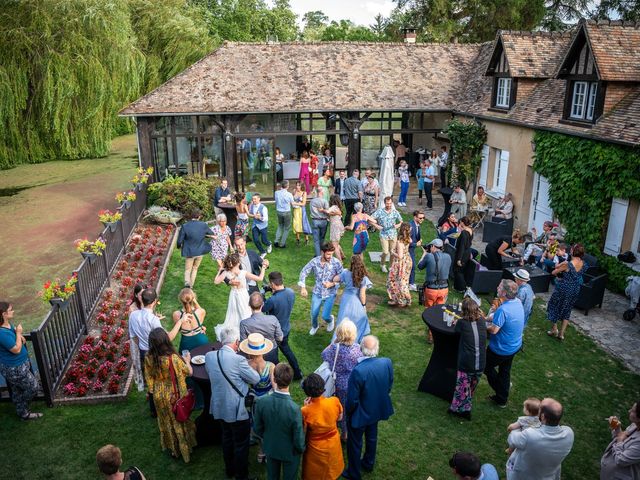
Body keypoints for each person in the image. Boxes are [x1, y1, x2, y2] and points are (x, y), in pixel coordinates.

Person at [205, 327, 260, 480]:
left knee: (227, 437)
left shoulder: (209, 356)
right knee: (241, 444)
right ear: (236, 342)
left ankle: (230, 470)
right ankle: (241, 476)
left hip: (219, 406)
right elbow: (255, 379)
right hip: (237, 409)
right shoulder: (239, 360)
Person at [343, 335, 394, 480]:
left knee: (354, 444)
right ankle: (368, 463)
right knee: (372, 437)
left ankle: (354, 473)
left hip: (359, 414)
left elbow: (352, 399)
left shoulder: (358, 371)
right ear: (377, 349)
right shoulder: (386, 363)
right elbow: (389, 384)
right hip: (377, 410)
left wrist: (349, 414)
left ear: (361, 349)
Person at [144, 328, 196, 462]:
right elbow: (188, 372)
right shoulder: (173, 358)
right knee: (179, 420)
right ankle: (185, 448)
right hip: (174, 395)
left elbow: (149, 378)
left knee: (166, 422)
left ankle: (173, 449)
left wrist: (152, 390)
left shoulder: (149, 357)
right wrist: (187, 361)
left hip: (158, 396)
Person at [253, 363, 305, 480]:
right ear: (290, 380)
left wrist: (267, 437)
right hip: (290, 452)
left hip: (270, 447)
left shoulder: (261, 402)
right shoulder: (294, 409)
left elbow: (257, 428)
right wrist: (301, 449)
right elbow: (298, 437)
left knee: (272, 476)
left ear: (274, 379)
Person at [506, 398, 574, 480]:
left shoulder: (530, 435)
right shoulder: (569, 433)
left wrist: (519, 428)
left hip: (523, 475)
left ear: (543, 416)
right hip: (548, 476)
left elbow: (512, 439)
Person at [485, 280, 524, 407]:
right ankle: (502, 398)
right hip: (514, 346)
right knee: (505, 371)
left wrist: (482, 325)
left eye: (500, 287)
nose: (497, 287)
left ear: (504, 293)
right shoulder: (517, 302)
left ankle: (502, 392)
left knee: (485, 366)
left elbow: (494, 330)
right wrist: (486, 318)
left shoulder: (503, 309)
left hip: (501, 349)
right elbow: (497, 316)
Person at [322, 319, 364, 440]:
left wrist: (334, 342)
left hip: (338, 384)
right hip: (353, 384)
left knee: (338, 408)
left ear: (339, 333)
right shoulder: (358, 348)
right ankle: (346, 433)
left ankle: (337, 429)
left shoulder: (334, 348)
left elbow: (323, 354)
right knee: (349, 409)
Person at [0, 301, 41, 420]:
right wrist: (18, 333)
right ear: (3, 314)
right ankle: (23, 408)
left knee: (17, 390)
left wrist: (18, 335)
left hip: (20, 365)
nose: (13, 311)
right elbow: (16, 349)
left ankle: (22, 412)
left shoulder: (8, 324)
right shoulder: (1, 333)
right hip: (14, 368)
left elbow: (15, 338)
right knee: (33, 387)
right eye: (10, 310)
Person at [448, 298, 487, 420]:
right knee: (471, 385)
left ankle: (461, 410)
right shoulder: (482, 321)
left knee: (462, 387)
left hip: (467, 363)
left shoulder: (462, 323)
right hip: (481, 362)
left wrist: (456, 322)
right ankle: (465, 405)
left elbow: (456, 332)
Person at [300, 373, 345, 480]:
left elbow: (303, 431)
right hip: (333, 442)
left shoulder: (305, 411)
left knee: (315, 473)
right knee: (332, 468)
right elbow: (339, 418)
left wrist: (307, 407)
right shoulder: (334, 401)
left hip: (315, 448)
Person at [214, 252, 267, 340]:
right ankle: (247, 331)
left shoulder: (226, 272)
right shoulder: (243, 273)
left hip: (233, 295)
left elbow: (216, 281)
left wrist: (220, 270)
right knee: (245, 312)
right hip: (243, 295)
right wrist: (264, 267)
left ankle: (235, 332)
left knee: (233, 313)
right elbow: (260, 278)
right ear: (238, 263)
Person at [240, 332, 275, 464]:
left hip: (253, 400)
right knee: (266, 424)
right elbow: (274, 386)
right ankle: (263, 451)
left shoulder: (246, 365)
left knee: (255, 423)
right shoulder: (271, 366)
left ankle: (256, 443)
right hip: (267, 401)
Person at [263, 271, 303, 380]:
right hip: (286, 328)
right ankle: (298, 373)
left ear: (272, 284)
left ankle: (276, 376)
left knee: (273, 354)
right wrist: (273, 291)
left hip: (275, 332)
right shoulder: (291, 292)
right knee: (287, 351)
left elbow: (263, 308)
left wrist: (263, 293)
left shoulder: (273, 299)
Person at [298, 243, 344, 335]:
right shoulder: (314, 261)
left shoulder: (336, 263)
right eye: (328, 254)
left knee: (325, 316)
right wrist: (303, 287)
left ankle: (330, 320)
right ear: (322, 252)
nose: (330, 256)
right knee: (314, 314)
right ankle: (315, 326)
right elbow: (304, 272)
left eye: (332, 254)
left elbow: (343, 278)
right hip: (317, 292)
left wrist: (332, 284)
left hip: (330, 294)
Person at [547, 243, 585, 341]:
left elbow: (553, 272)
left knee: (553, 305)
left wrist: (559, 267)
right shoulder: (584, 263)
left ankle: (554, 329)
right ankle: (561, 334)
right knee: (567, 309)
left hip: (564, 288)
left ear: (572, 251)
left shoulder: (568, 264)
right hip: (575, 289)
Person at [332, 256, 372, 343]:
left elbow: (335, 279)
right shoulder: (363, 278)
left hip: (346, 300)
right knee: (358, 321)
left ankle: (339, 340)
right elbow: (362, 294)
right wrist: (364, 305)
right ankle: (354, 341)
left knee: (342, 320)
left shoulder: (346, 272)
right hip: (356, 301)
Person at [600, 399, 640, 479]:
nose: (629, 411)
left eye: (633, 411)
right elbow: (620, 438)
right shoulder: (634, 426)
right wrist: (617, 428)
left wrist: (620, 441)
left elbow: (621, 460)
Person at [239, 292, 283, 365]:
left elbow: (243, 344)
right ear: (262, 304)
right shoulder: (273, 319)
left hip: (253, 355)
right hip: (271, 353)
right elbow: (280, 338)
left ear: (249, 305)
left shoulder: (244, 323)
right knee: (272, 374)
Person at [176, 208, 213, 288]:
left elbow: (179, 241)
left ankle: (187, 284)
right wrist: (205, 235)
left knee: (187, 270)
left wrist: (179, 246)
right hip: (200, 251)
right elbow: (211, 233)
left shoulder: (185, 226)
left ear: (191, 216)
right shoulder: (203, 225)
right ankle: (191, 286)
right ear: (199, 216)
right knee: (195, 268)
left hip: (190, 252)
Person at [417, 238, 452, 307]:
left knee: (429, 312)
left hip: (431, 289)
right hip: (444, 289)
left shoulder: (429, 256)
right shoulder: (448, 256)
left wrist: (424, 253)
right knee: (439, 310)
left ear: (433, 246)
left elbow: (419, 266)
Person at [172, 288, 208, 353]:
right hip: (201, 341)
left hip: (186, 344)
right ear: (193, 298)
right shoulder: (201, 312)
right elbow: (200, 312)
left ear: (180, 300)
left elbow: (178, 329)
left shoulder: (176, 314)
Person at [373, 196, 402, 273]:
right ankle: (382, 265)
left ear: (392, 203)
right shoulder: (379, 211)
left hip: (393, 234)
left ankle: (390, 266)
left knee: (392, 252)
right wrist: (376, 226)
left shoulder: (395, 212)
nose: (388, 205)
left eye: (390, 203)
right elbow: (370, 219)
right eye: (387, 203)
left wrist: (398, 225)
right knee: (385, 252)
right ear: (384, 203)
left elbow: (401, 221)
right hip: (383, 234)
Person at [386, 222, 413, 308]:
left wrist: (393, 252)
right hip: (407, 260)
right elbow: (410, 242)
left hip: (400, 263)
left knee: (393, 280)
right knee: (404, 281)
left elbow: (400, 256)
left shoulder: (400, 242)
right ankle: (407, 300)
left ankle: (398, 299)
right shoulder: (408, 239)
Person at [453, 216, 475, 292]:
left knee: (458, 270)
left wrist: (459, 259)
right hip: (467, 252)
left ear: (462, 222)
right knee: (461, 270)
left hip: (462, 253)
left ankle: (463, 287)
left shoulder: (464, 233)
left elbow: (462, 246)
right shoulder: (471, 230)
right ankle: (457, 287)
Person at [274, 180, 294, 249]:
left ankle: (276, 241)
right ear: (287, 186)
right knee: (286, 228)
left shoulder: (276, 193)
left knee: (280, 226)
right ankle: (282, 244)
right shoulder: (289, 194)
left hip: (279, 211)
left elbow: (276, 201)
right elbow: (293, 204)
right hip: (286, 212)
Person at [309, 192, 330, 257]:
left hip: (315, 220)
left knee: (316, 240)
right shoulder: (325, 201)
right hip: (323, 221)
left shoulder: (312, 201)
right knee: (322, 238)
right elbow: (327, 211)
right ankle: (320, 254)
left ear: (317, 193)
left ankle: (318, 255)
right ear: (322, 193)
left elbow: (311, 210)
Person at [408, 210, 424, 290]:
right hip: (407, 250)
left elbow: (417, 236)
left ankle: (409, 283)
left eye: (423, 218)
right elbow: (404, 241)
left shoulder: (417, 225)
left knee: (411, 266)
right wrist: (415, 244)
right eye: (420, 218)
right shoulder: (410, 226)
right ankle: (411, 284)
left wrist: (419, 239)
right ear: (415, 217)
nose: (422, 219)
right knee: (412, 266)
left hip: (411, 250)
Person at [292, 181, 312, 246]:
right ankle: (298, 239)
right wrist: (293, 204)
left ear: (302, 186)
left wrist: (295, 203)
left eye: (299, 185)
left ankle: (306, 239)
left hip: (301, 210)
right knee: (296, 223)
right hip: (295, 210)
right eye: (297, 185)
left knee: (304, 223)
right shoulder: (294, 192)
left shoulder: (304, 193)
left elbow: (303, 204)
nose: (297, 187)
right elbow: (292, 200)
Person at [327, 194, 346, 261]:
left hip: (335, 227)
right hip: (339, 226)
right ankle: (342, 255)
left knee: (334, 245)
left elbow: (327, 211)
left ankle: (340, 262)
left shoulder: (333, 207)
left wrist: (321, 210)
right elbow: (339, 213)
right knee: (336, 242)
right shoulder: (338, 207)